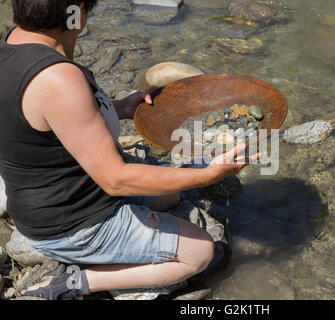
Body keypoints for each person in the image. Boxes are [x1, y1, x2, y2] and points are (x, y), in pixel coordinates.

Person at [0, 0, 259, 300]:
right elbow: (116, 179)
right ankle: (75, 282)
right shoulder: (58, 78)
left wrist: (120, 108)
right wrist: (210, 175)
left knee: (171, 193)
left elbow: (46, 121)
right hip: (71, 223)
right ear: (79, 12)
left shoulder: (11, 44)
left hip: (50, 200)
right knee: (200, 251)